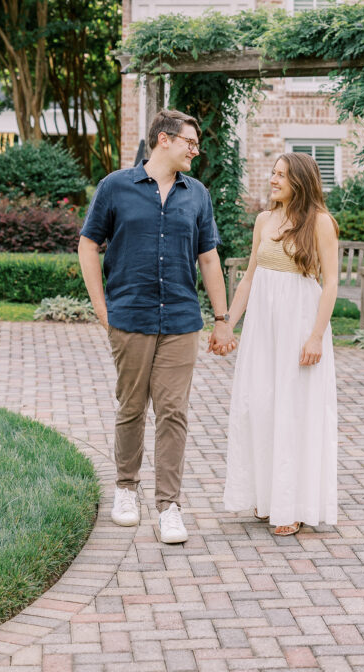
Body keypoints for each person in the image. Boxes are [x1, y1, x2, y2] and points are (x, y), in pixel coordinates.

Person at [78, 108, 237, 545]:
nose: (196, 150)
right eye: (190, 142)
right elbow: (88, 244)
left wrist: (222, 319)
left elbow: (209, 258)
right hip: (130, 316)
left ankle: (169, 506)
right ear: (164, 139)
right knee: (131, 407)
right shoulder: (115, 187)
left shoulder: (197, 194)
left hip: (181, 320)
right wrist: (101, 308)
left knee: (173, 412)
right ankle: (126, 489)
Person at [223, 152, 338, 536]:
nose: (273, 180)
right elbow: (249, 280)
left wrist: (316, 335)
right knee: (260, 406)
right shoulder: (264, 220)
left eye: (281, 175)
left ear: (300, 182)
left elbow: (331, 284)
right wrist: (227, 324)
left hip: (300, 326)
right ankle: (267, 495)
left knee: (294, 410)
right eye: (273, 173)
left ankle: (293, 505)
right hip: (263, 329)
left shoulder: (320, 222)